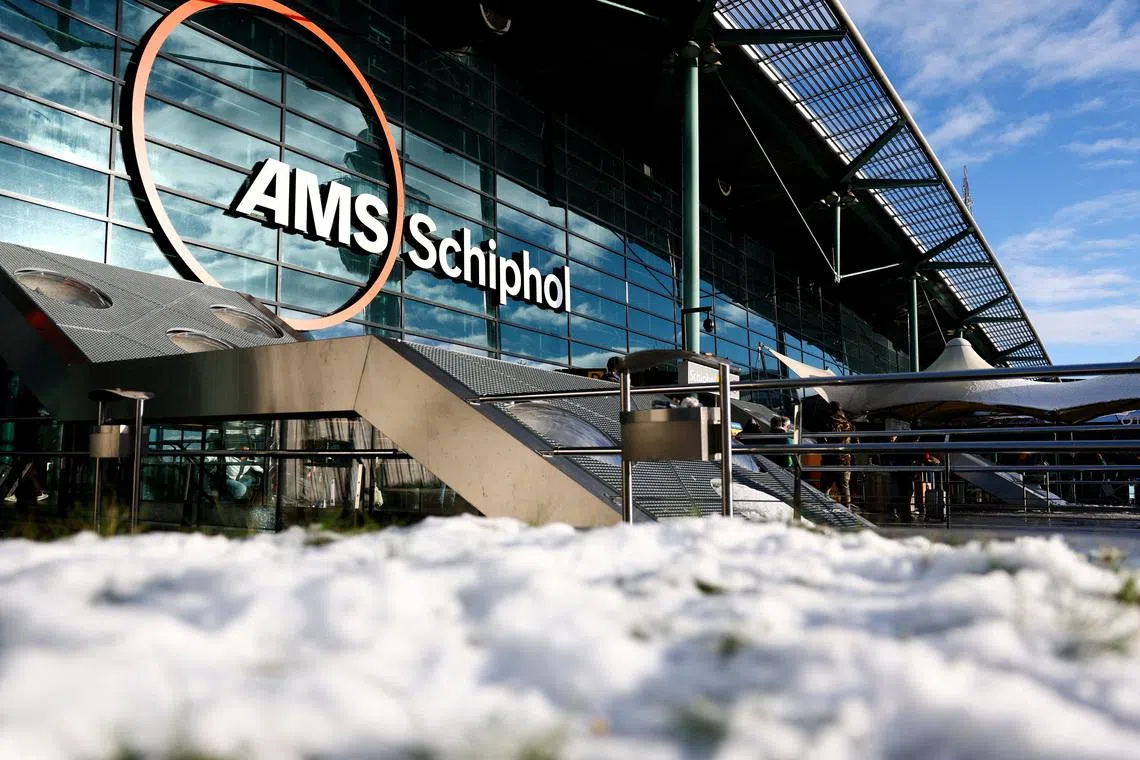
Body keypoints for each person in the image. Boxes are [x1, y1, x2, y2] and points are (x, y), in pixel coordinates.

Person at [818, 401, 853, 508]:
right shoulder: (848, 423)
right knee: (844, 488)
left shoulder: (828, 423)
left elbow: (822, 440)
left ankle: (823, 509)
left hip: (830, 459)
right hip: (845, 460)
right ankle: (848, 511)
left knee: (825, 488)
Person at [883, 434, 916, 522]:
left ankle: (898, 512)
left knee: (900, 492)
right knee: (904, 493)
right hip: (903, 471)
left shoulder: (895, 445)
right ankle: (903, 514)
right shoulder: (903, 445)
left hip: (898, 471)